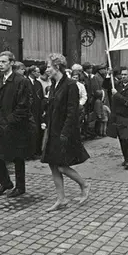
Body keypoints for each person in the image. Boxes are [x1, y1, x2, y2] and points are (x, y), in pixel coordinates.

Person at [41, 53, 90, 212]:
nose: (46, 69)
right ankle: (61, 199)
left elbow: (72, 112)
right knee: (53, 165)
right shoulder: (53, 84)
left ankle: (84, 185)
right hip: (52, 129)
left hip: (64, 132)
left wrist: (65, 133)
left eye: (49, 66)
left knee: (62, 166)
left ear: (57, 66)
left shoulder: (70, 85)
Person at [0, 51, 32, 198]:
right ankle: (5, 182)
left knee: (17, 156)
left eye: (4, 62)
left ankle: (20, 186)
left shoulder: (21, 81)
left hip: (14, 124)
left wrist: (11, 120)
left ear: (12, 63)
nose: (0, 64)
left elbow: (23, 105)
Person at [110, 67, 128, 170]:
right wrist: (109, 75)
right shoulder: (118, 84)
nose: (123, 76)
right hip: (119, 116)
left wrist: (116, 94)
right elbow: (106, 85)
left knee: (127, 138)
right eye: (122, 74)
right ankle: (125, 158)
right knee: (122, 138)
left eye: (125, 75)